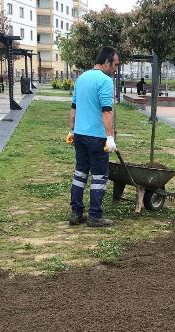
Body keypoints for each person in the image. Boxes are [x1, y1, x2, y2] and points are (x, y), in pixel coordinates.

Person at [66, 46, 119, 228]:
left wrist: (72, 130)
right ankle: (95, 216)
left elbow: (74, 107)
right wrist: (110, 137)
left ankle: (76, 213)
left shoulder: (81, 78)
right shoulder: (105, 81)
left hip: (80, 135)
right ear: (107, 62)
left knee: (80, 173)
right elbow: (107, 111)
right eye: (115, 65)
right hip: (97, 137)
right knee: (99, 176)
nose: (115, 69)